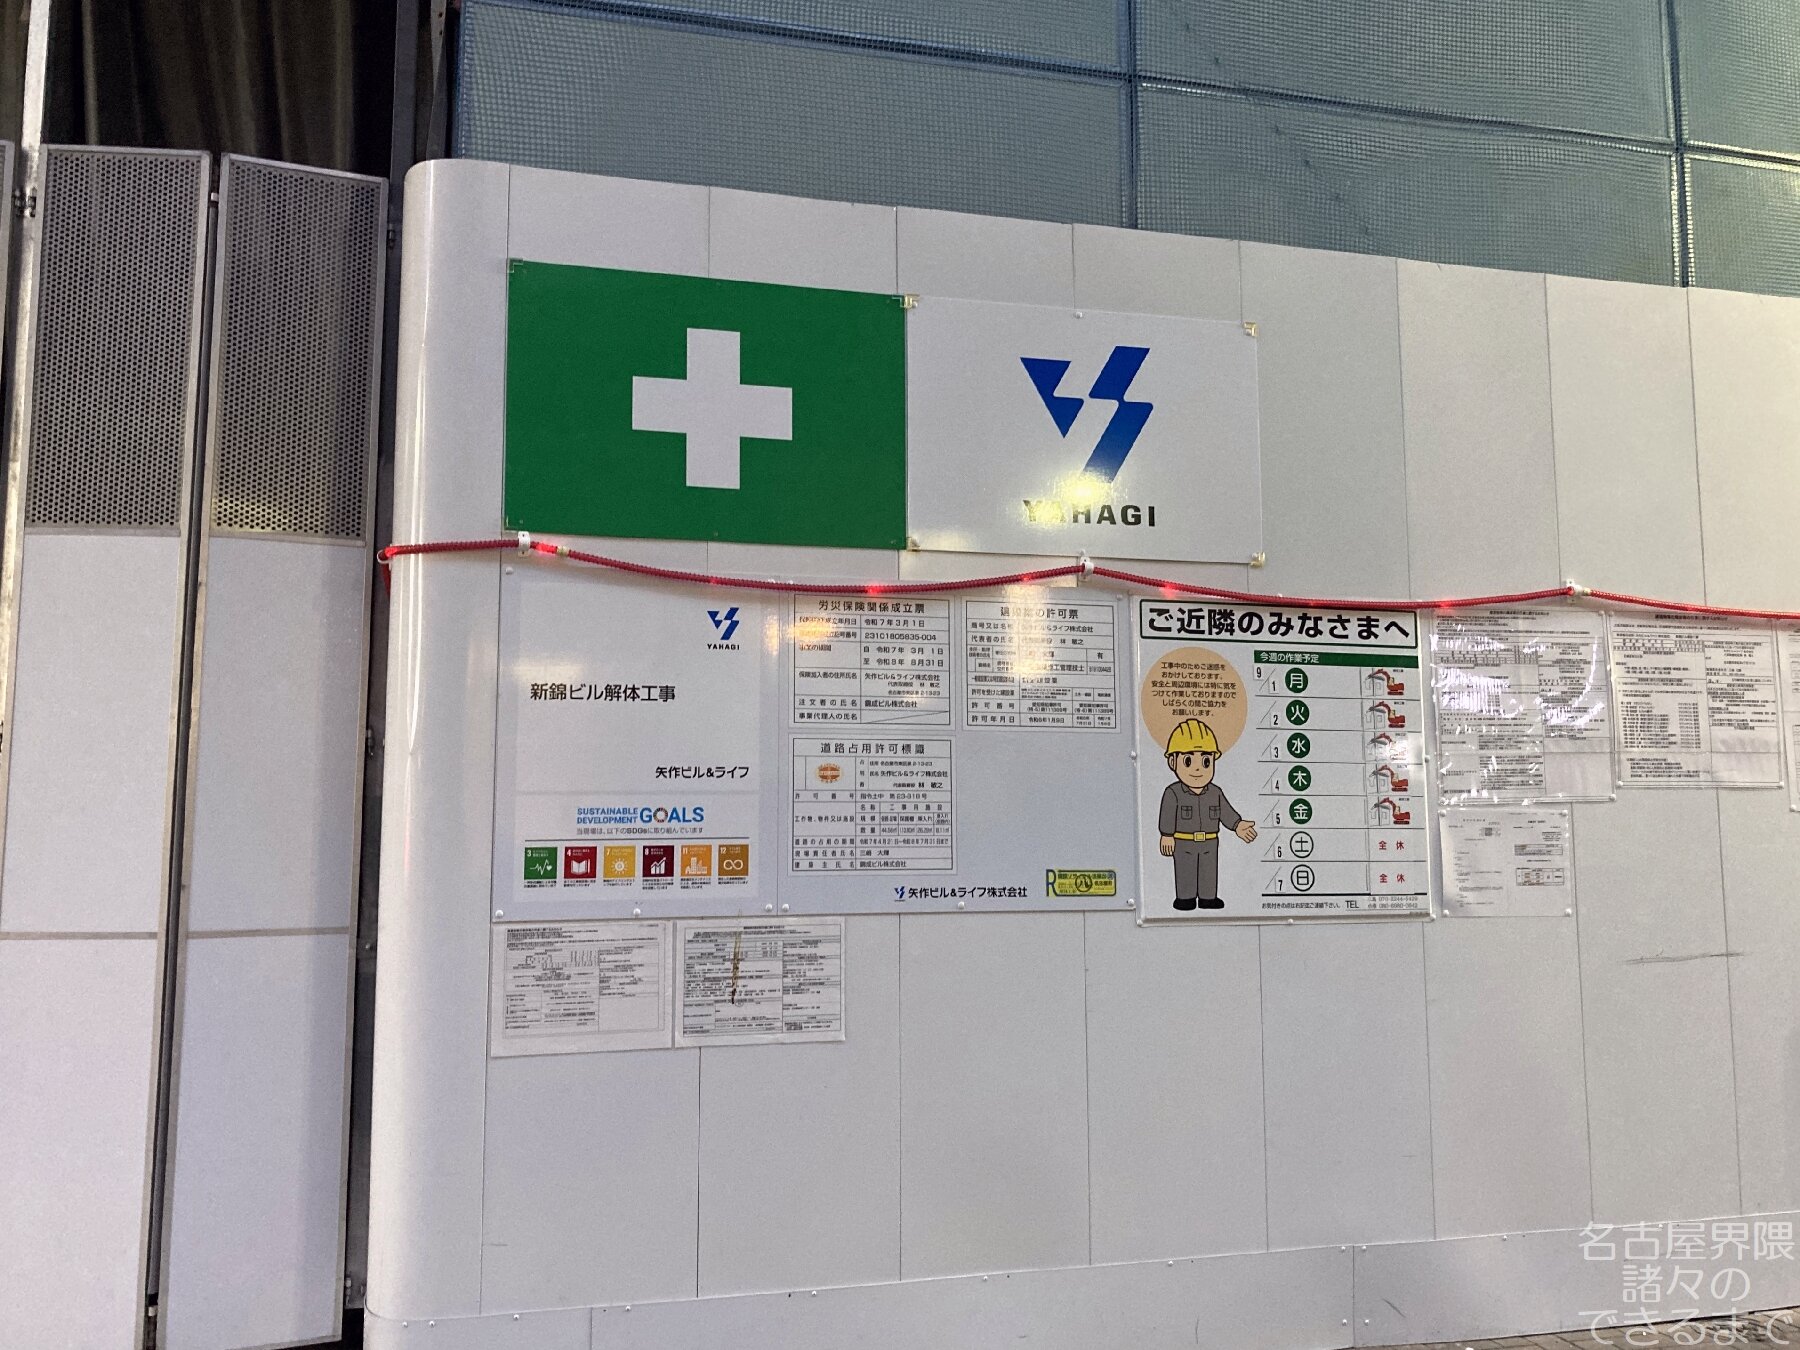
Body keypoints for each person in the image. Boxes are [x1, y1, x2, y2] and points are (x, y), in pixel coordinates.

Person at [1158, 718, 1257, 910]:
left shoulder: (1215, 792)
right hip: (1183, 841)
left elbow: (1225, 812)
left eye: (1205, 761)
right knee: (1185, 869)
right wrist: (1166, 835)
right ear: (1173, 762)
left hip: (1210, 841)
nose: (1197, 769)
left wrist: (1237, 825)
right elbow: (1167, 814)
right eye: (1188, 760)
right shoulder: (1173, 792)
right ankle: (1185, 898)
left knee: (1209, 870)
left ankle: (1208, 898)